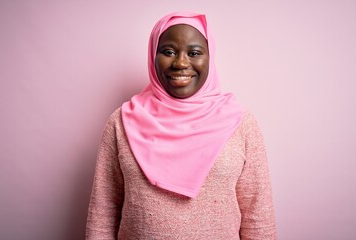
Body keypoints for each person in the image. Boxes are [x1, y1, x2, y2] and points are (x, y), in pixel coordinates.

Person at [86, 11, 276, 239]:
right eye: (168, 52)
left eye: (194, 52)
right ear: (152, 55)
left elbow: (258, 217)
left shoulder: (241, 123)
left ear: (210, 57)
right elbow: (103, 214)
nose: (181, 63)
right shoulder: (121, 122)